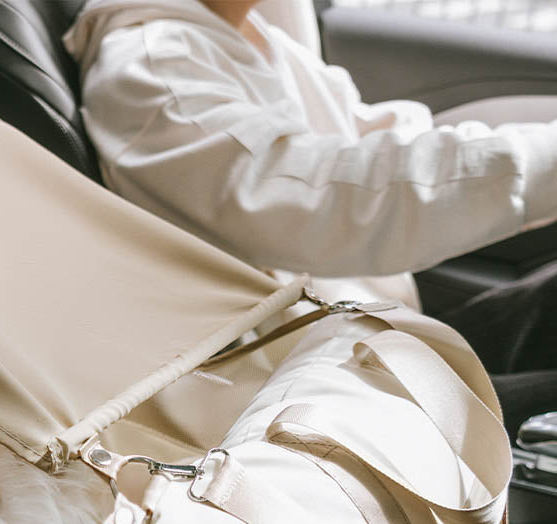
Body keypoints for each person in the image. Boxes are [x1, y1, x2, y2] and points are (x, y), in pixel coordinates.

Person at [64, 0, 557, 433]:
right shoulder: (159, 72)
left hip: (378, 341)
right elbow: (332, 200)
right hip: (319, 396)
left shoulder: (247, 35)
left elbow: (369, 143)